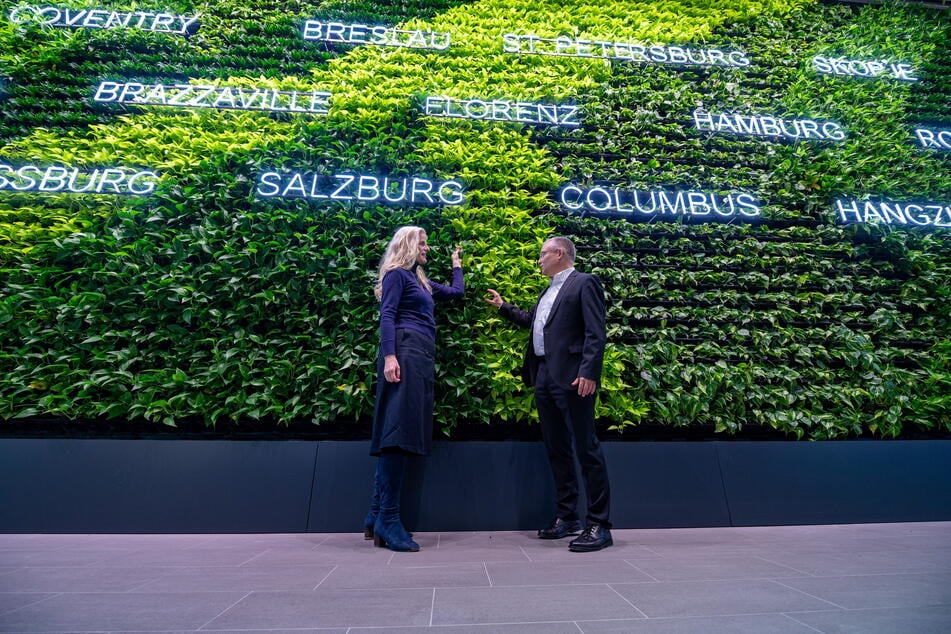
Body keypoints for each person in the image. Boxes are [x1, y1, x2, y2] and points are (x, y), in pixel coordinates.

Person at [486, 236, 612, 552]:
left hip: (573, 378)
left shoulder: (585, 283)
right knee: (557, 449)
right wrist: (503, 307)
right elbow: (533, 323)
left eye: (542, 254)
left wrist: (588, 371)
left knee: (586, 447)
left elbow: (595, 332)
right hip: (543, 375)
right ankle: (568, 517)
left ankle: (599, 524)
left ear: (558, 253)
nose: (538, 260)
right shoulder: (548, 290)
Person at [363, 226, 463, 552]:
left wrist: (457, 264)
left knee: (402, 430)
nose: (427, 249)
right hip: (404, 352)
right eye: (423, 243)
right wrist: (390, 355)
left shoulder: (418, 279)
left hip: (419, 354)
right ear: (408, 244)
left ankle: (377, 514)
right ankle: (388, 519)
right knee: (397, 432)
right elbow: (387, 314)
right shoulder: (396, 275)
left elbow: (456, 293)